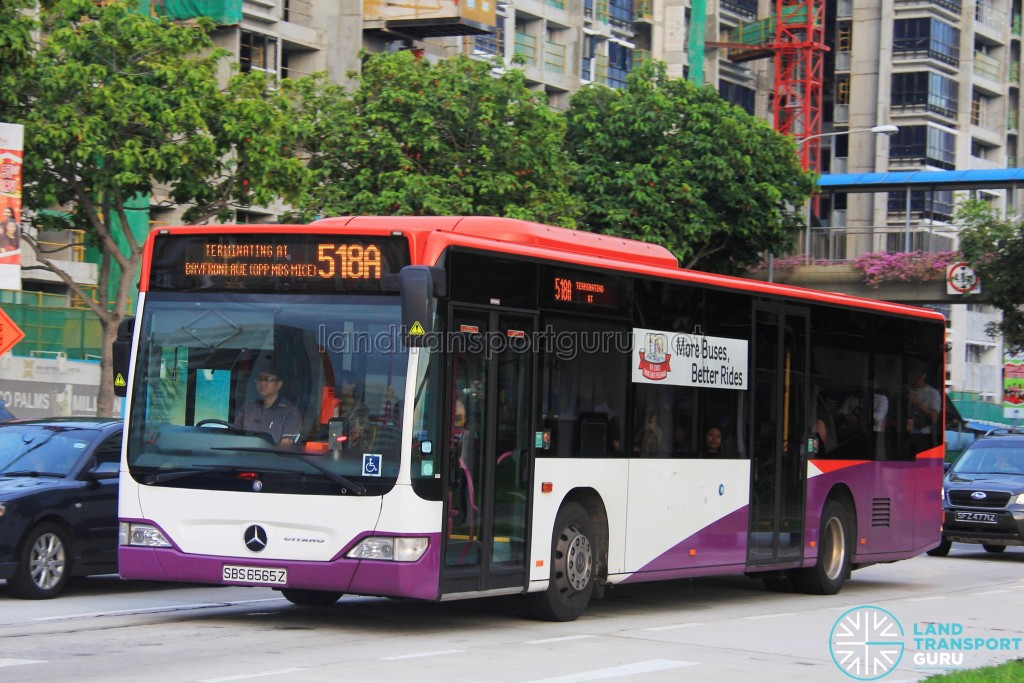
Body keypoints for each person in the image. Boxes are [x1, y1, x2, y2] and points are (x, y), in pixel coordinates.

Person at [234, 370, 302, 445]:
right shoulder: (248, 407)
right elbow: (234, 435)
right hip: (243, 455)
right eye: (260, 379)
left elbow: (284, 449)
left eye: (268, 379)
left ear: (279, 384)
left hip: (271, 456)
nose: (262, 383)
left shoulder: (290, 412)